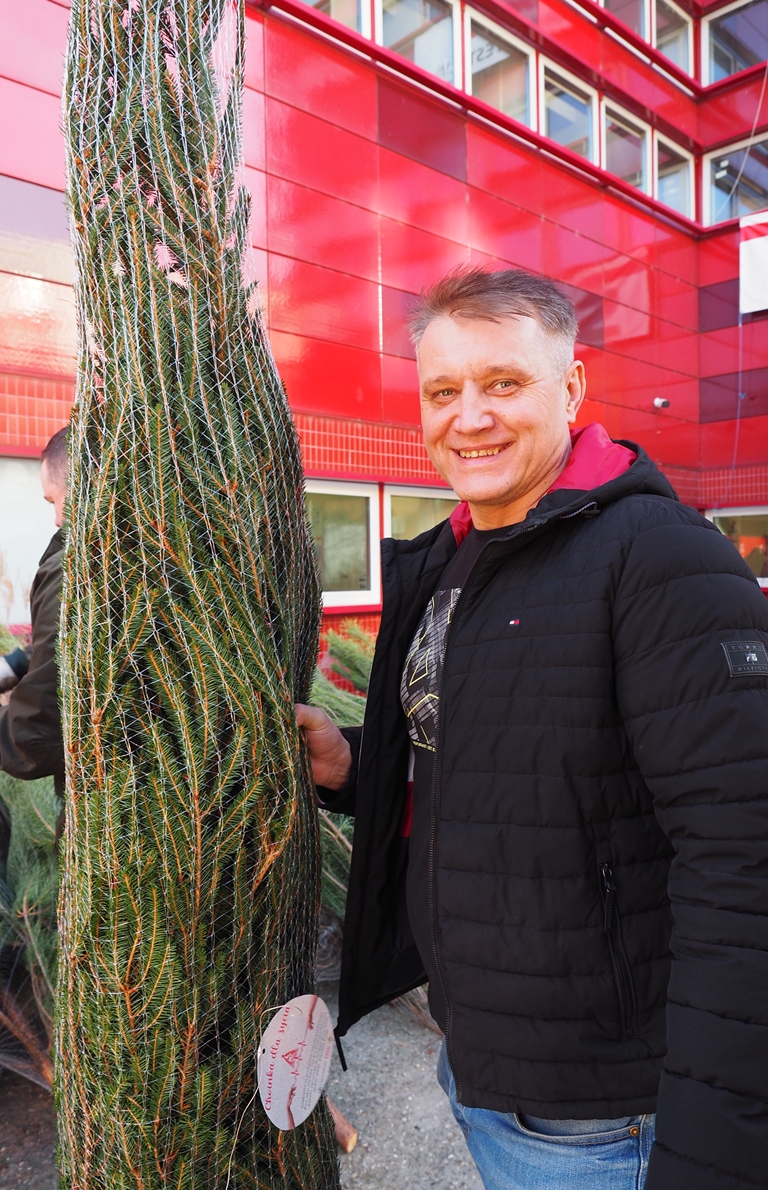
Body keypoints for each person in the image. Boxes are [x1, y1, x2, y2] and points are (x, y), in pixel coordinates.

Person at [297, 268, 768, 1190]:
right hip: (488, 1078)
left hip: (610, 1122)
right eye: (443, 391)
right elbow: (496, 758)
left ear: (573, 387)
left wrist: (712, 1150)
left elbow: (744, 865)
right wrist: (355, 765)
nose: (468, 416)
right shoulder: (455, 559)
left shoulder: (661, 559)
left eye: (503, 383)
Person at [0, 427, 67, 795]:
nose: (56, 519)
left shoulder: (74, 569)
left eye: (52, 501)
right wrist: (17, 663)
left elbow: (36, 734)